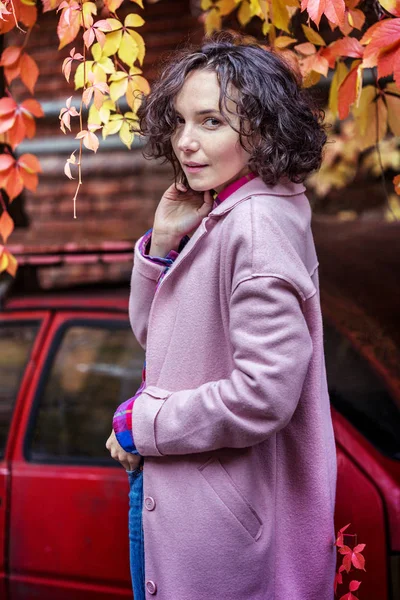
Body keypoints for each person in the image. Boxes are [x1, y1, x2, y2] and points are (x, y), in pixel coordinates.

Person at [106, 30, 337, 600]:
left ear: (260, 128)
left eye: (211, 122)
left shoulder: (253, 227)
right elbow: (155, 337)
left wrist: (146, 426)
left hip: (220, 524)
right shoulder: (232, 212)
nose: (186, 141)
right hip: (185, 501)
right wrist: (162, 244)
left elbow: (264, 395)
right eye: (181, 121)